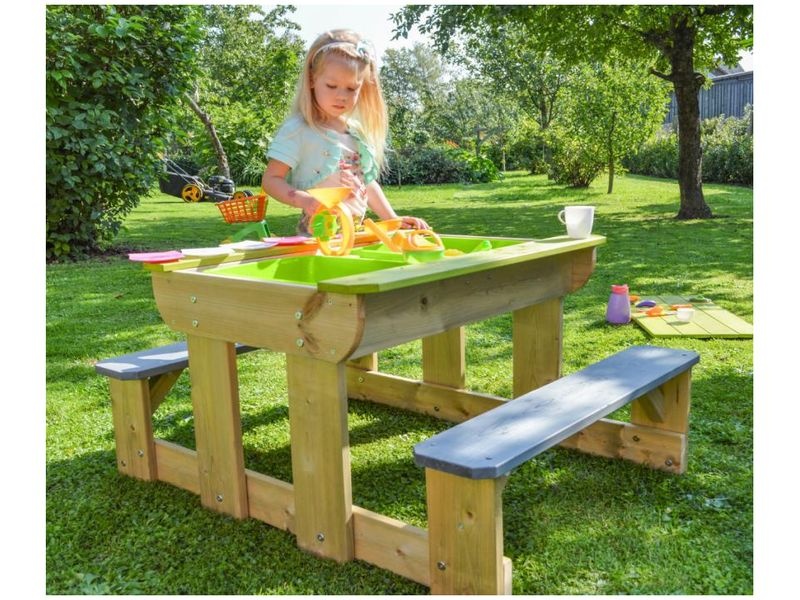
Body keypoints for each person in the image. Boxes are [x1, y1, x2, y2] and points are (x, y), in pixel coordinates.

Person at [262, 29, 430, 235]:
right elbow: (271, 179)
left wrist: (392, 219)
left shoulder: (355, 132)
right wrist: (305, 200)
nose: (341, 96)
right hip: (318, 236)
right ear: (312, 79)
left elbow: (366, 183)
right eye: (332, 86)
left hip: (355, 234)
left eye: (351, 89)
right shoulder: (299, 130)